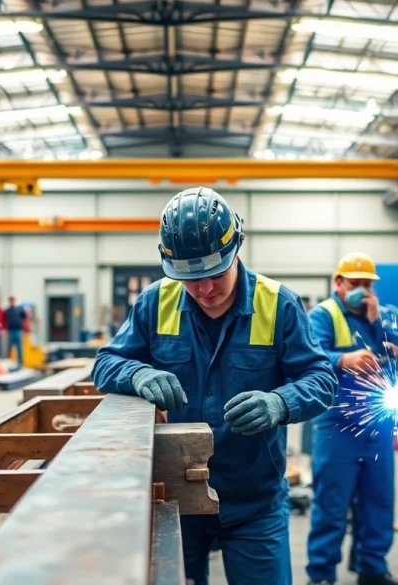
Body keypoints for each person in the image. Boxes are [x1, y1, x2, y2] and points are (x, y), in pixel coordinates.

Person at [92, 187, 339, 585]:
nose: (205, 289)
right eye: (190, 278)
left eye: (215, 274)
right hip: (173, 498)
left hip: (253, 500)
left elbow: (322, 379)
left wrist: (280, 403)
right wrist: (138, 374)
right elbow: (106, 363)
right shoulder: (156, 302)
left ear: (237, 247)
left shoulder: (279, 305)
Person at [305, 252, 398, 585]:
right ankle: (321, 574)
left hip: (377, 426)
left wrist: (377, 322)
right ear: (338, 283)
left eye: (368, 284)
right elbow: (309, 355)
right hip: (337, 427)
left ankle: (372, 569)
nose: (363, 291)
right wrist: (344, 359)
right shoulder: (323, 315)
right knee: (331, 504)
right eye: (355, 284)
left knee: (378, 501)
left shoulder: (384, 315)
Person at [3, 295, 28, 366]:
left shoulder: (20, 309)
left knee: (19, 347)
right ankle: (8, 362)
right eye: (11, 300)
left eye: (13, 300)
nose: (12, 301)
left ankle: (20, 363)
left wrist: (25, 328)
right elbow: (4, 320)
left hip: (18, 331)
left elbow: (24, 318)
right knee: (9, 347)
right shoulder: (7, 310)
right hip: (11, 331)